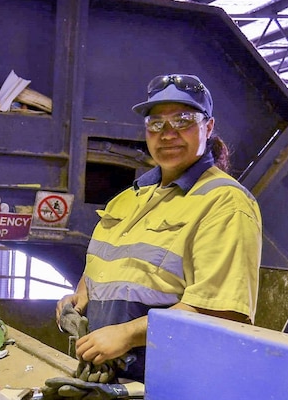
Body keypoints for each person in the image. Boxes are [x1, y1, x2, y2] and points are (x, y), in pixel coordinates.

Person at [56, 73, 262, 382]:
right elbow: (106, 264)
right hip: (108, 379)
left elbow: (222, 312)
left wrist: (126, 334)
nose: (167, 134)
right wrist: (80, 296)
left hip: (168, 385)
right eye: (156, 123)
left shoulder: (224, 203)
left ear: (207, 127)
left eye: (182, 120)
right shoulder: (127, 199)